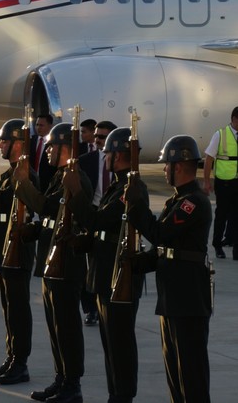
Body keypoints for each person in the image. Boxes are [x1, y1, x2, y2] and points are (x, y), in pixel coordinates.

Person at [125, 134, 212, 403]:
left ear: (178, 166)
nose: (163, 170)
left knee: (191, 376)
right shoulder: (176, 200)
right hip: (173, 297)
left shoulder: (193, 202)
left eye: (166, 165)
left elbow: (161, 233)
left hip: (187, 299)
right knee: (174, 372)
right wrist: (140, 263)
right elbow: (167, 249)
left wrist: (137, 205)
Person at [66, 127, 147, 403]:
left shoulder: (131, 189)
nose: (105, 158)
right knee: (110, 342)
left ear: (120, 155)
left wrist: (76, 191)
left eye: (108, 153)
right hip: (105, 273)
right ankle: (115, 393)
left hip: (119, 275)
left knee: (120, 343)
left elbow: (99, 221)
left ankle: (123, 395)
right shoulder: (117, 186)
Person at [14, 122, 93, 403]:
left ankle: (73, 385)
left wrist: (23, 183)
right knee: (55, 325)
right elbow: (49, 215)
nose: (46, 150)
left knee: (68, 327)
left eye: (51, 146)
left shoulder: (76, 179)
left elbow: (47, 207)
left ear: (65, 148)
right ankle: (61, 379)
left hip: (67, 264)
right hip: (52, 260)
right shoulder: (60, 177)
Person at [0, 119, 38, 385]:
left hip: (17, 252)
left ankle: (20, 363)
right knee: (9, 308)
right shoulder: (9, 173)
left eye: (4, 141)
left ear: (18, 144)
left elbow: (0, 202)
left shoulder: (26, 175)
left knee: (18, 310)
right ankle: (12, 358)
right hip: (3, 249)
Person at [77, 120, 117, 327]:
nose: (98, 140)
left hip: (113, 215)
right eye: (97, 136)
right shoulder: (86, 160)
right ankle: (90, 309)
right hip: (93, 212)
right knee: (89, 264)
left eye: (103, 137)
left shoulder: (121, 163)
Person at [203, 106, 238, 260]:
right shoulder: (220, 134)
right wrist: (206, 181)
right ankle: (217, 245)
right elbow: (209, 158)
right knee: (222, 214)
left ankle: (236, 248)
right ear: (234, 119)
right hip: (224, 182)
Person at [31, 114, 56, 191]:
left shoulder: (54, 143)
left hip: (46, 185)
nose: (38, 128)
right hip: (31, 183)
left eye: (41, 125)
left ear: (50, 126)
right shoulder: (31, 141)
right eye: (37, 125)